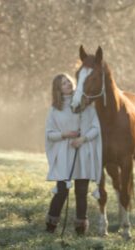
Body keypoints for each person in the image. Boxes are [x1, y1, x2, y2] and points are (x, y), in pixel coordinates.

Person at [45, 73, 102, 235]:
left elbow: (96, 128)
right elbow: (49, 134)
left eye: (68, 81)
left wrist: (83, 138)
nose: (68, 84)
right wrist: (64, 135)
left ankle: (80, 228)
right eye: (63, 83)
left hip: (82, 153)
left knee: (81, 192)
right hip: (65, 155)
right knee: (61, 191)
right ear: (58, 89)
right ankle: (51, 226)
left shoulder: (86, 105)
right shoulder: (55, 109)